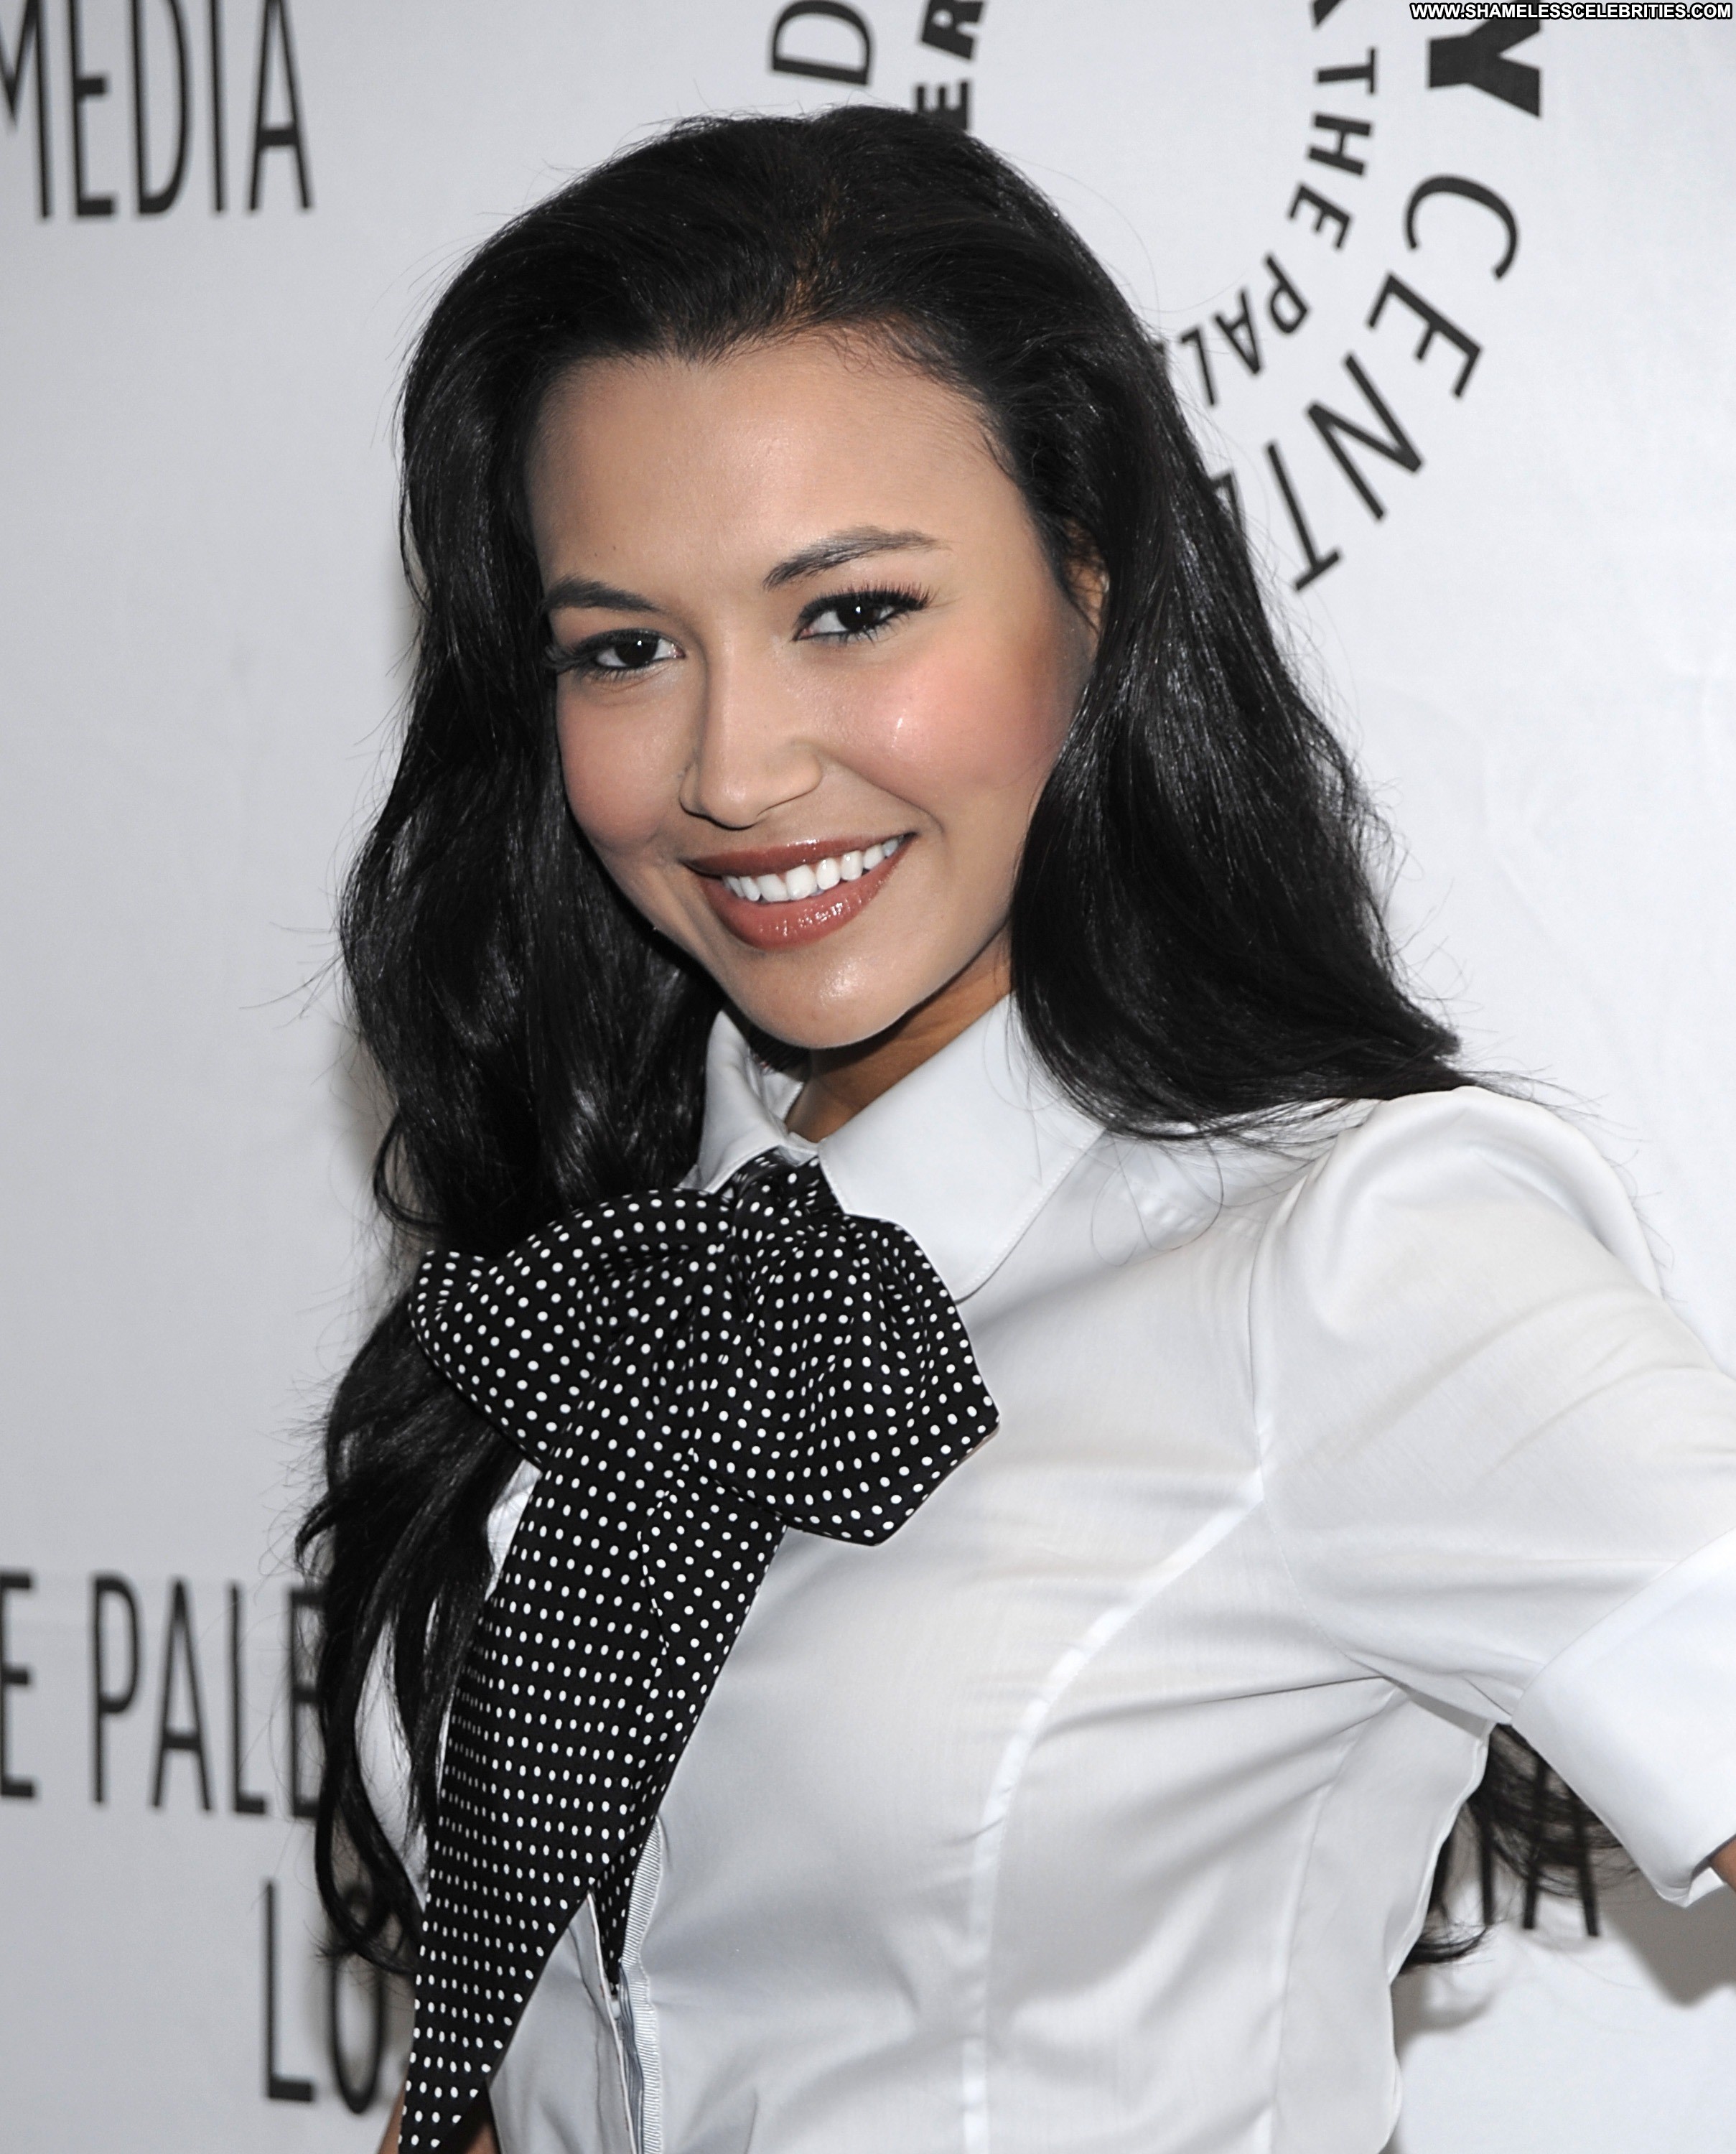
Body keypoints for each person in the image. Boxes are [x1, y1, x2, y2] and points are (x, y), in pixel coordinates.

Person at [300, 106, 1736, 2154]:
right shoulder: (601, 1257)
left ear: (1092, 588)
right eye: (625, 650)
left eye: (851, 612)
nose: (731, 768)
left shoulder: (1351, 1262)